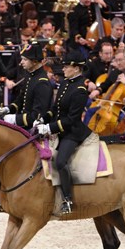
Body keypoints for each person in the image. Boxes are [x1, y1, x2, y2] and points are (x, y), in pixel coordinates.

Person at [36, 51, 91, 214]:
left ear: (76, 68)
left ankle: (67, 199)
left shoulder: (80, 89)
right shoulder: (66, 83)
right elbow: (55, 109)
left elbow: (72, 119)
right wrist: (43, 119)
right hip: (59, 128)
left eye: (67, 66)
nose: (64, 69)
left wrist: (49, 128)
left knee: (60, 162)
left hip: (72, 132)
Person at [0, 41, 53, 128]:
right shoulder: (30, 75)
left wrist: (14, 119)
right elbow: (21, 98)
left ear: (34, 62)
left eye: (25, 59)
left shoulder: (42, 83)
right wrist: (9, 108)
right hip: (24, 123)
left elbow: (36, 116)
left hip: (34, 127)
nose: (21, 62)